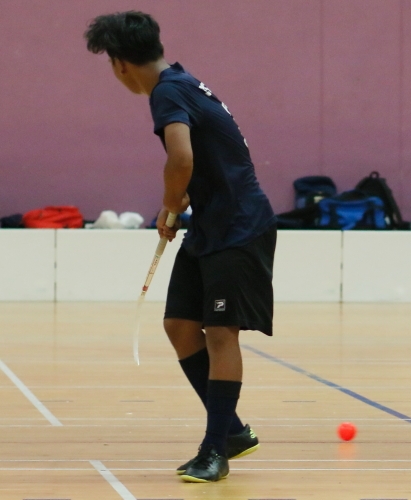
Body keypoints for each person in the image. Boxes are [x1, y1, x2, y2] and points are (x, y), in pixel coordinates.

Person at [85, 11, 277, 482]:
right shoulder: (181, 83)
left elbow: (182, 157)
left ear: (120, 64)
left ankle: (215, 452)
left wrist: (170, 206)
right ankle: (230, 430)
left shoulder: (168, 92)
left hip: (238, 227)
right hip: (212, 225)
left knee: (219, 333)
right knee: (179, 325)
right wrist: (182, 207)